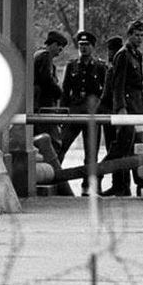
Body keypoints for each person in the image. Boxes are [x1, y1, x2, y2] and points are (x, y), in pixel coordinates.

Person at [58, 31, 107, 196]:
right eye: (81, 46)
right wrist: (62, 113)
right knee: (61, 146)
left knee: (91, 153)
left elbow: (105, 92)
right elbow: (65, 91)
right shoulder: (72, 66)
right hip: (74, 113)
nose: (83, 49)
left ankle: (87, 186)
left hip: (92, 114)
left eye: (86, 46)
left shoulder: (100, 67)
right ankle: (57, 180)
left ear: (92, 47)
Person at [109, 20, 143, 195]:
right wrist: (121, 108)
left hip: (137, 106)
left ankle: (138, 182)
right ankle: (119, 183)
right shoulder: (123, 55)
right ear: (129, 35)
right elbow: (118, 84)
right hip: (128, 108)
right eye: (136, 35)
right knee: (124, 147)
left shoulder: (136, 54)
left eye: (142, 35)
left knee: (136, 146)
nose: (139, 38)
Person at [99, 35, 132, 196]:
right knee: (123, 150)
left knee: (115, 149)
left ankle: (102, 173)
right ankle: (121, 185)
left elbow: (107, 94)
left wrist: (97, 113)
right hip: (119, 112)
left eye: (110, 50)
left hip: (112, 114)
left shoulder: (113, 69)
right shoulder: (124, 62)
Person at [33, 30, 68, 154]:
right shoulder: (45, 56)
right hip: (44, 107)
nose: (60, 50)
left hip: (37, 107)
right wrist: (59, 92)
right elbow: (46, 80)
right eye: (59, 46)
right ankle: (55, 172)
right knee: (53, 143)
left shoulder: (38, 54)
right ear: (52, 44)